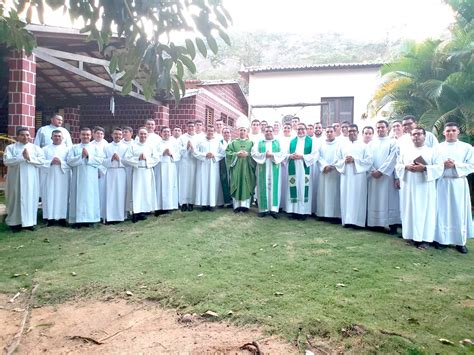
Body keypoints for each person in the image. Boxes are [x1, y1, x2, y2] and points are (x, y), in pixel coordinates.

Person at [395, 127, 443, 249]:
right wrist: (406, 167)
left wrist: (425, 168)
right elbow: (398, 165)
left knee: (425, 211)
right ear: (411, 137)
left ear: (425, 136)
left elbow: (439, 168)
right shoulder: (406, 151)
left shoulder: (433, 152)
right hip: (409, 186)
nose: (416, 136)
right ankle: (410, 236)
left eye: (419, 134)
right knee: (409, 209)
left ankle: (424, 239)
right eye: (414, 134)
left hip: (425, 187)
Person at [434, 122, 473, 253]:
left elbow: (471, 165)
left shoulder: (467, 148)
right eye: (448, 131)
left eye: (453, 130)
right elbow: (432, 165)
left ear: (458, 132)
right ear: (444, 133)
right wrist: (442, 165)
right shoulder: (437, 148)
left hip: (458, 183)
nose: (450, 133)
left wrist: (455, 165)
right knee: (442, 211)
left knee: (459, 212)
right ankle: (442, 239)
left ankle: (460, 242)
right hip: (442, 182)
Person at [4, 127, 44, 232]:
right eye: (22, 135)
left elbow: (41, 161)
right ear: (17, 136)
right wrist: (22, 158)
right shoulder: (10, 148)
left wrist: (29, 158)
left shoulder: (36, 148)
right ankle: (14, 223)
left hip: (31, 180)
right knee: (15, 199)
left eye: (27, 135)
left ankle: (29, 223)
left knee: (31, 199)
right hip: (15, 179)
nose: (25, 137)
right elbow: (7, 161)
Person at [335, 124, 373, 228]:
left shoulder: (364, 146)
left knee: (358, 197)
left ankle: (358, 222)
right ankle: (347, 220)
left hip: (358, 176)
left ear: (357, 132)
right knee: (346, 196)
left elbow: (369, 161)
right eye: (350, 131)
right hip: (346, 175)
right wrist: (344, 161)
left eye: (354, 131)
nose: (351, 133)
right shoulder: (342, 146)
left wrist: (355, 160)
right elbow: (336, 160)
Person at [367, 120, 400, 233]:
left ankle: (392, 225)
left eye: (382, 127)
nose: (380, 129)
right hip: (373, 176)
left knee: (390, 200)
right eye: (378, 128)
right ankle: (375, 224)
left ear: (387, 128)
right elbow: (368, 158)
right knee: (375, 199)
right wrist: (372, 170)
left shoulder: (393, 142)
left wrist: (381, 171)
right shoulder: (371, 143)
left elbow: (393, 159)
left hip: (387, 176)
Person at [67, 127, 104, 227]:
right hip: (78, 177)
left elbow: (100, 160)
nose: (85, 136)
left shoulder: (95, 148)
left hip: (91, 178)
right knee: (77, 197)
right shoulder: (74, 148)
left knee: (90, 197)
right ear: (80, 135)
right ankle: (77, 220)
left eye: (87, 135)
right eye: (83, 134)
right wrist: (81, 157)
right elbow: (69, 161)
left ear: (91, 135)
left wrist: (88, 156)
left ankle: (90, 219)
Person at [123, 128, 159, 222]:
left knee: (145, 192)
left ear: (147, 135)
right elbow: (126, 158)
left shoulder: (151, 146)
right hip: (137, 171)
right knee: (136, 192)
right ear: (138, 135)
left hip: (147, 171)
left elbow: (156, 158)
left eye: (145, 134)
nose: (143, 136)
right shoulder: (133, 146)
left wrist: (147, 159)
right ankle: (135, 212)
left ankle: (143, 211)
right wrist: (137, 159)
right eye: (141, 134)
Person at [285, 123, 318, 220]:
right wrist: (290, 156)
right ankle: (293, 211)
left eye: (302, 129)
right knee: (293, 188)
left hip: (304, 169)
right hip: (293, 168)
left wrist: (302, 156)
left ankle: (303, 212)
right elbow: (285, 154)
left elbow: (315, 155)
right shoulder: (292, 141)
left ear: (306, 130)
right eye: (299, 129)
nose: (300, 131)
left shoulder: (311, 141)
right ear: (296, 131)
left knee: (303, 189)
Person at [251, 126, 285, 218]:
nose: (268, 132)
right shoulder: (259, 142)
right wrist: (264, 155)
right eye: (267, 131)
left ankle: (274, 210)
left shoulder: (278, 142)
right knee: (263, 186)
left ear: (273, 132)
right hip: (263, 167)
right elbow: (253, 153)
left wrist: (272, 155)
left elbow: (283, 153)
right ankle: (263, 210)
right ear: (264, 132)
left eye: (270, 131)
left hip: (275, 168)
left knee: (274, 187)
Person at [226, 117, 256, 212]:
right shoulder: (233, 143)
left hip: (247, 168)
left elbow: (255, 155)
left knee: (246, 184)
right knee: (237, 183)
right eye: (241, 130)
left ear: (247, 132)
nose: (242, 132)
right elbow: (227, 153)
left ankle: (245, 206)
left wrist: (248, 154)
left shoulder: (251, 143)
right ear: (238, 131)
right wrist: (236, 154)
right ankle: (237, 206)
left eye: (244, 130)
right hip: (236, 168)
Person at [41, 130, 71, 226]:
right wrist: (50, 162)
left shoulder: (68, 149)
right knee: (49, 195)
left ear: (62, 138)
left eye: (59, 136)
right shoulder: (45, 149)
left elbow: (71, 162)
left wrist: (61, 162)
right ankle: (50, 218)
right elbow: (41, 161)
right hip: (49, 175)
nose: (57, 138)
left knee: (62, 196)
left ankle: (62, 218)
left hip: (63, 177)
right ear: (51, 137)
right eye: (55, 136)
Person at [193, 126, 225, 211]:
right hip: (203, 165)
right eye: (209, 131)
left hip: (213, 166)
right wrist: (205, 155)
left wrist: (214, 155)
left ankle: (212, 204)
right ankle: (203, 204)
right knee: (203, 183)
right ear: (206, 131)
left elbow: (222, 153)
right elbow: (195, 152)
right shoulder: (200, 142)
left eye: (212, 131)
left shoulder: (217, 142)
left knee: (213, 184)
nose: (210, 132)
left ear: (214, 132)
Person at [103, 128, 128, 223]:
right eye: (115, 134)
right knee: (110, 194)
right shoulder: (107, 147)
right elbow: (102, 160)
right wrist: (110, 159)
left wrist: (119, 159)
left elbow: (128, 161)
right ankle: (110, 217)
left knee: (121, 194)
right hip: (110, 172)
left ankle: (121, 216)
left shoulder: (126, 147)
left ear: (122, 136)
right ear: (112, 135)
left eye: (119, 134)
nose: (117, 136)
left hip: (121, 172)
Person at [316, 126, 341, 222]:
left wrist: (331, 166)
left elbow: (340, 156)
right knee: (323, 192)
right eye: (327, 132)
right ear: (325, 133)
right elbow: (318, 156)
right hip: (324, 171)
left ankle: (334, 215)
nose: (329, 133)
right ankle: (322, 214)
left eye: (331, 131)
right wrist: (325, 165)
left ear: (335, 132)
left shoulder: (339, 144)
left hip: (334, 171)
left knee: (334, 193)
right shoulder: (321, 144)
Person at [155, 126, 181, 214]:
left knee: (170, 185)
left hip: (170, 166)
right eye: (164, 132)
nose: (166, 133)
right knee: (159, 186)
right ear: (161, 133)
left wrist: (171, 154)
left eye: (168, 132)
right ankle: (159, 207)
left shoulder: (174, 143)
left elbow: (178, 155)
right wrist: (162, 153)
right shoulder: (157, 143)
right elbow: (154, 155)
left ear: (170, 133)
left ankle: (170, 206)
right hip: (160, 167)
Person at [178, 121, 200, 211]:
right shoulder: (182, 137)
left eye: (192, 126)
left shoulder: (198, 138)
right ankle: (183, 203)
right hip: (184, 162)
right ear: (186, 127)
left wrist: (193, 148)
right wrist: (186, 147)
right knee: (184, 182)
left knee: (192, 182)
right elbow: (179, 150)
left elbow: (199, 150)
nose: (191, 128)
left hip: (194, 162)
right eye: (189, 126)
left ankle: (191, 203)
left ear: (195, 127)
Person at [92, 126, 108, 221]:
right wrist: (95, 170)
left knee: (102, 194)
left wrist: (101, 170)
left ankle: (102, 215)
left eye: (101, 134)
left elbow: (105, 159)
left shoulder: (106, 145)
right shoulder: (90, 145)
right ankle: (93, 215)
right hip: (92, 173)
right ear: (93, 134)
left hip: (103, 174)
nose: (99, 135)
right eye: (97, 133)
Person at [121, 126, 135, 214]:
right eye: (124, 132)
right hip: (122, 170)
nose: (124, 134)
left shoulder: (135, 144)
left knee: (131, 189)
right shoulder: (119, 144)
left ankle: (131, 209)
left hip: (132, 169)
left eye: (126, 132)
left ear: (131, 133)